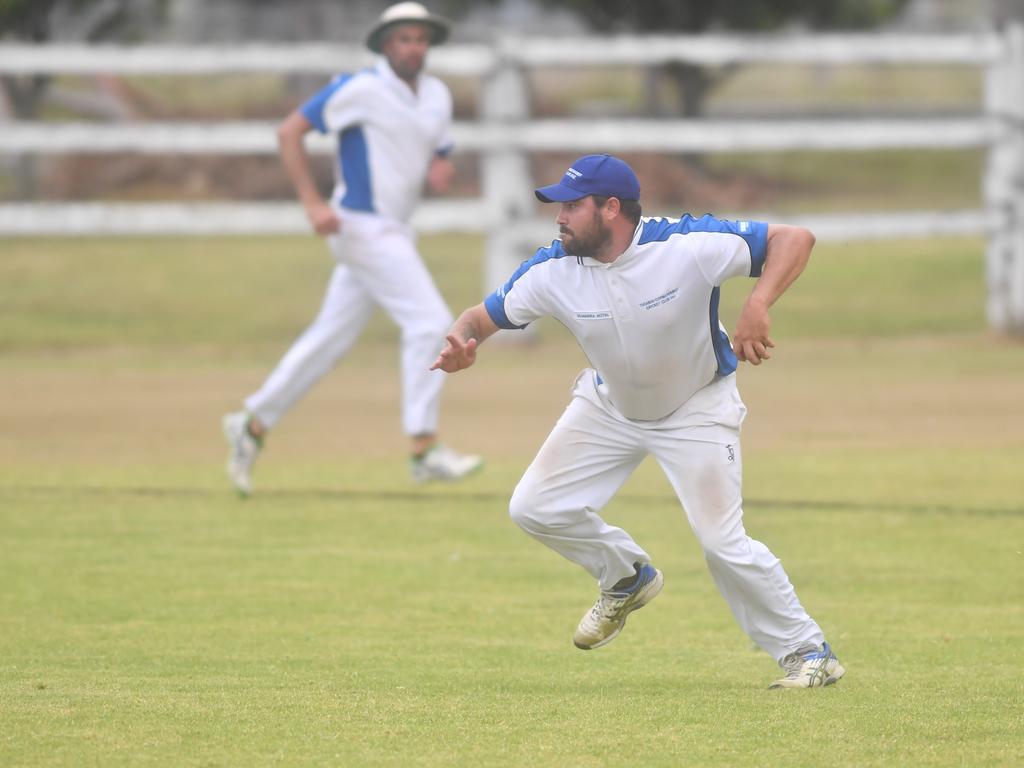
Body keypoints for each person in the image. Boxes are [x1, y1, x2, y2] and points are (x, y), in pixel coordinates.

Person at [431, 154, 845, 689]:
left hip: (696, 407)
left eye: (572, 205)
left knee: (722, 544)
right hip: (611, 408)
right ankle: (625, 576)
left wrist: (758, 303)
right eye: (558, 206)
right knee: (533, 507)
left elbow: (796, 238)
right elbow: (479, 317)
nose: (559, 217)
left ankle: (810, 653)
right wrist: (464, 341)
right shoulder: (552, 268)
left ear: (610, 208)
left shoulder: (685, 245)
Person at [222, 2, 482, 496]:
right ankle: (424, 449)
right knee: (430, 322)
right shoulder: (359, 88)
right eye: (404, 38)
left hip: (395, 229)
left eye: (421, 39)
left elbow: (439, 146)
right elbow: (290, 131)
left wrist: (439, 167)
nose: (414, 47)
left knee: (330, 338)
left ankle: (252, 423)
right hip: (360, 225)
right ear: (386, 44)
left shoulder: (436, 95)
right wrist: (311, 202)